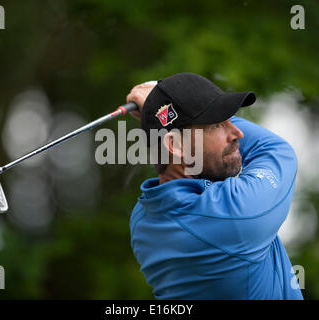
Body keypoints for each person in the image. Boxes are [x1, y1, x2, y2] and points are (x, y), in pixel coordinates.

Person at [126, 72, 303, 300]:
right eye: (218, 124)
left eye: (230, 119)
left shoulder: (143, 222)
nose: (237, 132)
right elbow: (274, 150)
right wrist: (155, 104)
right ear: (175, 145)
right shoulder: (236, 214)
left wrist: (159, 113)